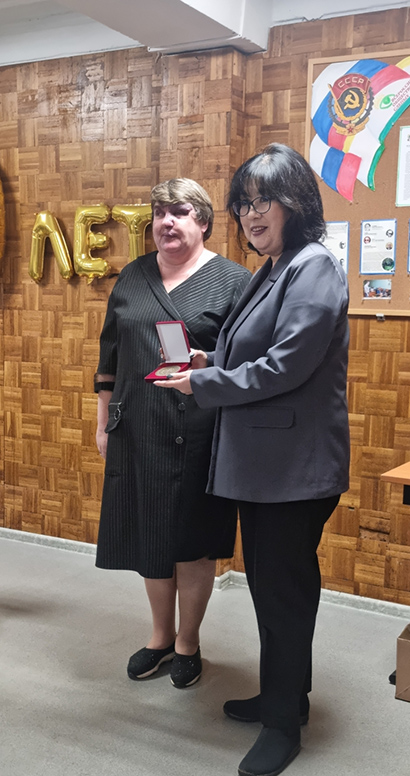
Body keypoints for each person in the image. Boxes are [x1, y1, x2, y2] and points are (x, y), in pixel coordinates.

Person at [154, 144, 350, 776]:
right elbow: (252, 350)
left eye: (264, 201)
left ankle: (283, 727)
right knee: (274, 589)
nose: (251, 214)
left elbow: (286, 366)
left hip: (294, 470)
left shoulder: (314, 267)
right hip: (268, 467)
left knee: (282, 593)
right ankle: (285, 697)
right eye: (243, 204)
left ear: (296, 202)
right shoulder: (275, 266)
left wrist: (204, 384)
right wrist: (209, 362)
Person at [94, 178, 250, 688]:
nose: (167, 222)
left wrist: (208, 364)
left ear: (202, 221)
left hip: (199, 431)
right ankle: (160, 636)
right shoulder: (133, 276)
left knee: (192, 543)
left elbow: (245, 359)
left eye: (179, 212)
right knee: (151, 534)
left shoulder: (232, 281)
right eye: (160, 212)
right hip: (137, 427)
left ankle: (188, 642)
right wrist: (103, 423)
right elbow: (110, 356)